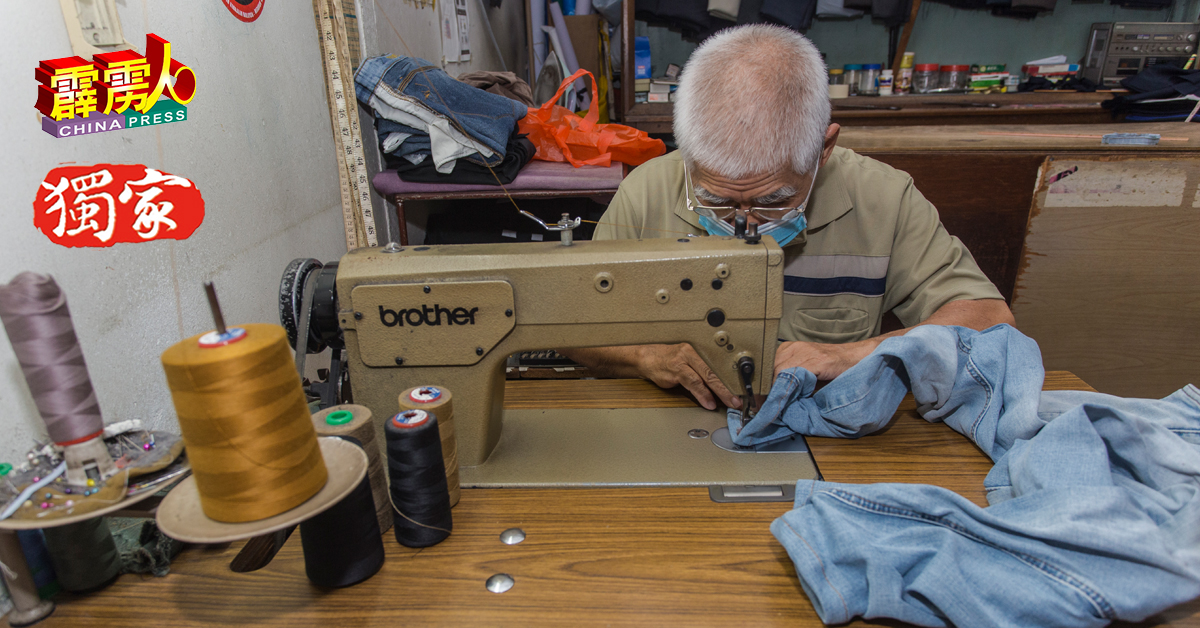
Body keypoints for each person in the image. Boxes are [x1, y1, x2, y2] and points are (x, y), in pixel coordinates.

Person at [561, 24, 1014, 411]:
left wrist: (850, 356)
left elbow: (990, 320)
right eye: (717, 202)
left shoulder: (884, 199)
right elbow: (570, 325)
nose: (747, 225)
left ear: (824, 149)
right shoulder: (646, 191)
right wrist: (645, 356)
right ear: (688, 159)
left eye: (774, 199)